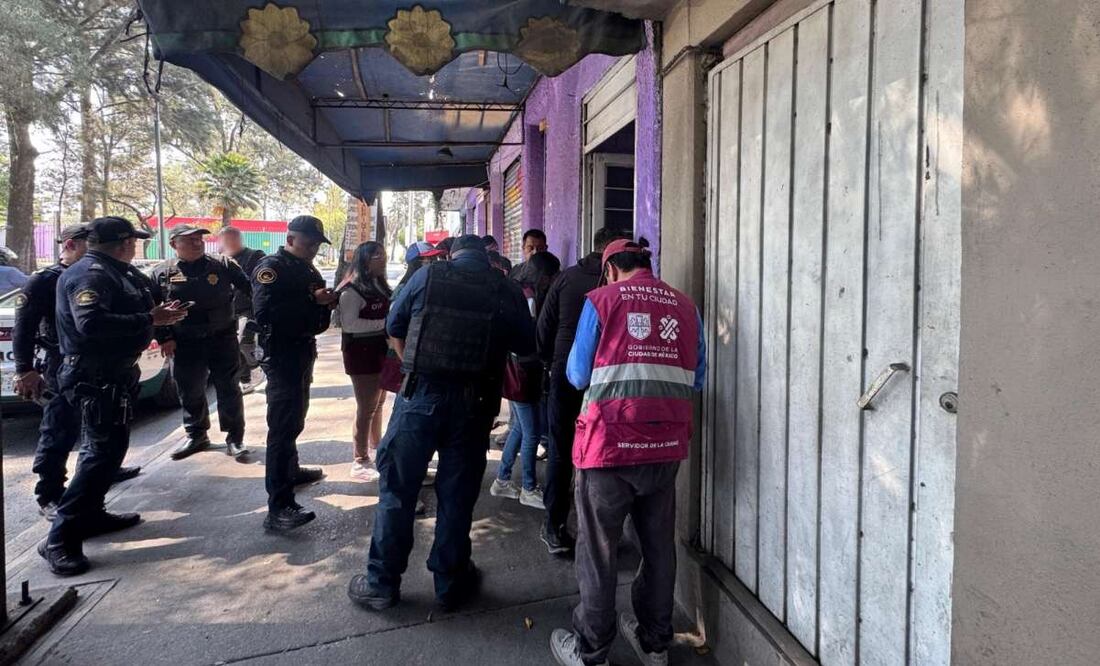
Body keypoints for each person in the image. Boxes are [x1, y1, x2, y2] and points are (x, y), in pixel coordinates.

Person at [346, 234, 534, 612]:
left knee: (397, 492)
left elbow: (393, 327)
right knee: (457, 496)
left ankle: (381, 584)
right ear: (488, 258)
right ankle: (450, 583)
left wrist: (412, 367)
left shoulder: (426, 277)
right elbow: (527, 346)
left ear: (451, 255)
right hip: (475, 405)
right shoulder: (506, 288)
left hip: (420, 398)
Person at [549, 239, 706, 666]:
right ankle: (656, 643)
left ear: (611, 268)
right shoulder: (685, 306)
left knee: (598, 550)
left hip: (608, 449)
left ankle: (590, 650)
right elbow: (697, 377)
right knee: (658, 548)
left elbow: (578, 375)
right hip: (665, 447)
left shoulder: (602, 300)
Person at [39, 216, 189, 575]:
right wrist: (149, 319)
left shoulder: (116, 271)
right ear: (123, 243)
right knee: (98, 454)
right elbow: (90, 323)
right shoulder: (90, 274)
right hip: (93, 375)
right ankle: (59, 539)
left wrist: (157, 317)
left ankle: (91, 515)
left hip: (114, 374)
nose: (136, 246)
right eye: (133, 241)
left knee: (110, 451)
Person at [13, 224, 140, 520]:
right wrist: (24, 370)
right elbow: (24, 328)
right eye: (89, 242)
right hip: (62, 363)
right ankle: (50, 493)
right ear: (71, 244)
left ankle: (96, 490)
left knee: (98, 430)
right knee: (58, 428)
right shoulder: (45, 280)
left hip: (99, 363)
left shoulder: (106, 274)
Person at [536, 227, 630, 555]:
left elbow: (543, 330)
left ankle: (556, 528)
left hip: (565, 376)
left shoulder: (566, 279)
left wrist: (551, 363)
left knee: (561, 453)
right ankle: (606, 535)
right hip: (609, 380)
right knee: (607, 455)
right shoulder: (624, 288)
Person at [251, 215, 335, 532]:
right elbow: (266, 313)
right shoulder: (271, 268)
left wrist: (323, 303)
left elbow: (314, 305)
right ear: (290, 238)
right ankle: (279, 506)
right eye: (308, 242)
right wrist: (311, 300)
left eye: (316, 243)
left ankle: (292, 470)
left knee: (296, 418)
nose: (313, 248)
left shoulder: (306, 268)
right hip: (281, 353)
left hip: (301, 349)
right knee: (282, 427)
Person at [151, 225, 253, 460]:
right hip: (185, 342)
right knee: (189, 390)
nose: (198, 243)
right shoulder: (161, 272)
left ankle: (235, 438)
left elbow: (250, 289)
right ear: (174, 244)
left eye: (200, 239)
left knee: (229, 389)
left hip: (222, 338)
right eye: (190, 240)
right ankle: (196, 434)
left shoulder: (222, 264)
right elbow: (153, 308)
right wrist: (164, 337)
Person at [490, 250, 560, 509]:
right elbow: (532, 335)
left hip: (514, 368)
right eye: (551, 277)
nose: (552, 283)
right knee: (531, 434)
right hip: (524, 369)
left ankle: (503, 479)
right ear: (543, 276)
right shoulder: (528, 297)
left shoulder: (514, 287)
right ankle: (529, 487)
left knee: (520, 428)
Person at [338, 241, 391, 482]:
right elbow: (350, 324)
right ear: (364, 260)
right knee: (366, 407)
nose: (382, 259)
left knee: (378, 404)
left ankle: (377, 447)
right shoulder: (352, 289)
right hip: (361, 353)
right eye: (376, 256)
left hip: (379, 351)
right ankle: (360, 460)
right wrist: (385, 324)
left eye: (383, 255)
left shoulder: (379, 285)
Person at [218, 226, 266, 393]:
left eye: (233, 238)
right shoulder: (220, 259)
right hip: (230, 309)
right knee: (234, 346)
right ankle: (245, 380)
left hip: (249, 308)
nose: (230, 243)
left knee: (245, 342)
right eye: (226, 240)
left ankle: (256, 367)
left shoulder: (255, 256)